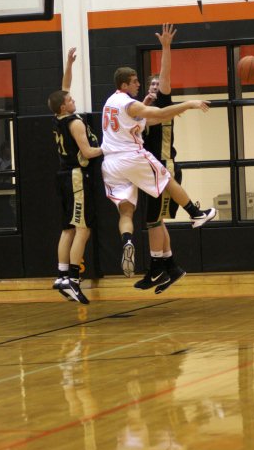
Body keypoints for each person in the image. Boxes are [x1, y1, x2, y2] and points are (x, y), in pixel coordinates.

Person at [101, 65, 216, 289]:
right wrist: (191, 103)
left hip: (111, 164)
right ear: (124, 85)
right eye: (134, 81)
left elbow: (148, 120)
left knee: (126, 210)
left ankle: (127, 241)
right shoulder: (130, 103)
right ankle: (196, 213)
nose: (138, 84)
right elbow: (161, 114)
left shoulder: (110, 102)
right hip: (131, 157)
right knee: (167, 180)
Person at [48, 47, 103, 305]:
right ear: (64, 106)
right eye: (69, 99)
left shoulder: (58, 117)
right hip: (76, 177)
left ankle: (61, 275)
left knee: (67, 228)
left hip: (62, 176)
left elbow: (63, 87)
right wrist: (111, 148)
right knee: (83, 229)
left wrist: (69, 64)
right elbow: (88, 152)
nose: (73, 99)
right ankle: (72, 279)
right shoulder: (75, 122)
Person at [139, 23, 188, 294]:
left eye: (159, 84)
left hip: (165, 167)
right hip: (150, 170)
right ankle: (171, 268)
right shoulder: (142, 109)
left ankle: (158, 267)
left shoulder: (165, 102)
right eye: (153, 84)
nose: (157, 86)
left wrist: (166, 48)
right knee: (154, 221)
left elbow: (166, 76)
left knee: (152, 221)